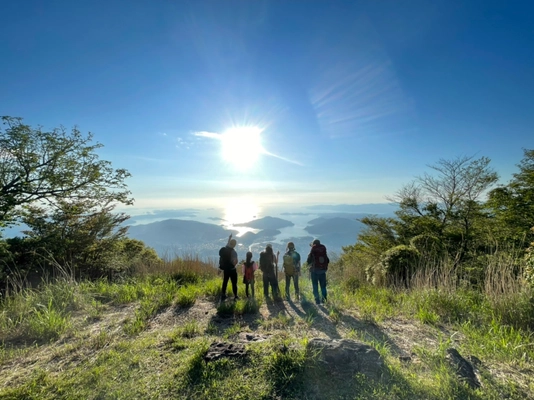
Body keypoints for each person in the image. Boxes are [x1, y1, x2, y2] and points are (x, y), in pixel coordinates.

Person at [307, 239, 330, 305]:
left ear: (314, 244)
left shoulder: (313, 250)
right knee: (323, 286)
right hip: (323, 271)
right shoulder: (323, 250)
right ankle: (324, 299)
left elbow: (308, 261)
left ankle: (317, 300)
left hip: (314, 271)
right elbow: (328, 261)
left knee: (315, 286)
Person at [219, 234, 239, 301]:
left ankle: (223, 294)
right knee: (234, 283)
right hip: (232, 270)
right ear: (235, 245)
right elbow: (234, 262)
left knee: (225, 281)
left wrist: (230, 237)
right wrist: (236, 262)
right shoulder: (234, 252)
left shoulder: (226, 248)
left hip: (226, 269)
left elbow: (228, 243)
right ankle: (235, 296)